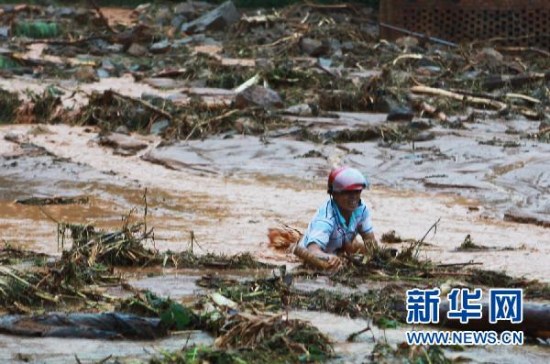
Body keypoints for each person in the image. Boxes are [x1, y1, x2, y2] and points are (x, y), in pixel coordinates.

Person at [297, 166, 378, 270]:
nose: (353, 197)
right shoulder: (326, 219)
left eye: (357, 192)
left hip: (340, 247)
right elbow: (312, 250)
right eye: (347, 192)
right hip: (316, 254)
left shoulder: (361, 210)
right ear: (334, 194)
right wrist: (328, 257)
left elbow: (371, 243)